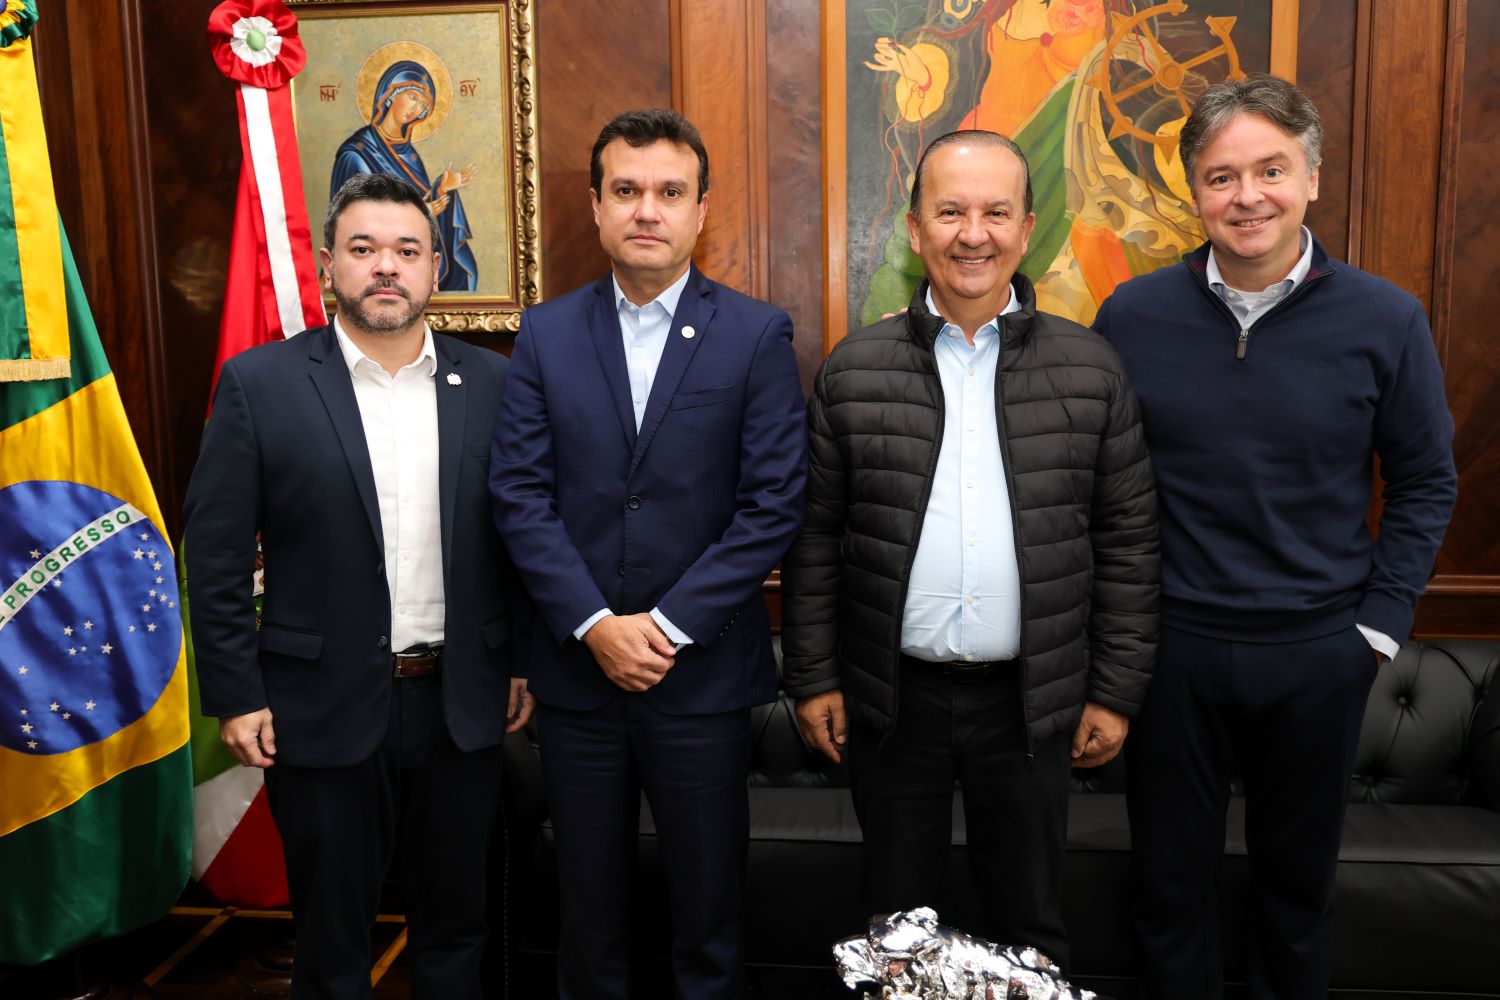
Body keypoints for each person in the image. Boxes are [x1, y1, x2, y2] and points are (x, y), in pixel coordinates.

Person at [1092, 74, 1458, 999]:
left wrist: (1377, 630)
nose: (1247, 196)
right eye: (1221, 177)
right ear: (1193, 191)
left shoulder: (1386, 318)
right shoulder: (1132, 315)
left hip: (1319, 650)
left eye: (1271, 170)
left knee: (1296, 896)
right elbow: (1092, 476)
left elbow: (1425, 481)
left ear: (1312, 179)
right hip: (1171, 649)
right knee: (1168, 890)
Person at [781, 129, 1160, 969]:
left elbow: (1128, 543)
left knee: (1030, 931)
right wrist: (812, 677)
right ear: (915, 229)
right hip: (891, 703)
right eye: (950, 211)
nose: (973, 234)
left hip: (1031, 704)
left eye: (995, 212)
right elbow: (815, 539)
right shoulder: (854, 369)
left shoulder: (1092, 369)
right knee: (894, 938)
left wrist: (1115, 691)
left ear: (1027, 229)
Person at [185, 172, 532, 1000]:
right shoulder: (260, 384)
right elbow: (216, 553)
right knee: (333, 943)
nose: (386, 267)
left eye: (407, 251)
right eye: (364, 248)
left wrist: (519, 660)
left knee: (458, 931)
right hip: (319, 706)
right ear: (327, 266)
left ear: (437, 267)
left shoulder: (495, 385)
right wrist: (235, 694)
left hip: (459, 704)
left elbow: (520, 538)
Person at [490, 109, 807, 999]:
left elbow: (773, 504)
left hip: (699, 680)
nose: (646, 210)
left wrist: (664, 627)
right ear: (596, 206)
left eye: (670, 192)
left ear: (701, 211)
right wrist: (595, 624)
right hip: (579, 682)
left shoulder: (755, 334)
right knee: (587, 925)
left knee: (708, 922)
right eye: (626, 190)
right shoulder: (546, 334)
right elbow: (518, 494)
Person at [330, 59, 479, 291]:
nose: (416, 108)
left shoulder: (409, 154)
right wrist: (422, 212)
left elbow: (417, 201)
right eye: (412, 96)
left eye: (423, 104)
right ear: (390, 94)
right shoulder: (356, 153)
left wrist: (442, 189)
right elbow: (358, 221)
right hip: (369, 272)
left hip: (407, 266)